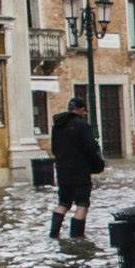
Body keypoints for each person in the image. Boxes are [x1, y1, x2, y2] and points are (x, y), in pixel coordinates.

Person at [48, 96, 105, 240]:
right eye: (84, 111)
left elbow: (54, 148)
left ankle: (53, 234)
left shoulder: (57, 126)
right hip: (80, 170)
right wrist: (98, 165)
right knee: (82, 204)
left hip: (62, 169)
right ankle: (77, 237)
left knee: (63, 203)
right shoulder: (82, 126)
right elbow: (90, 149)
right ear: (81, 109)